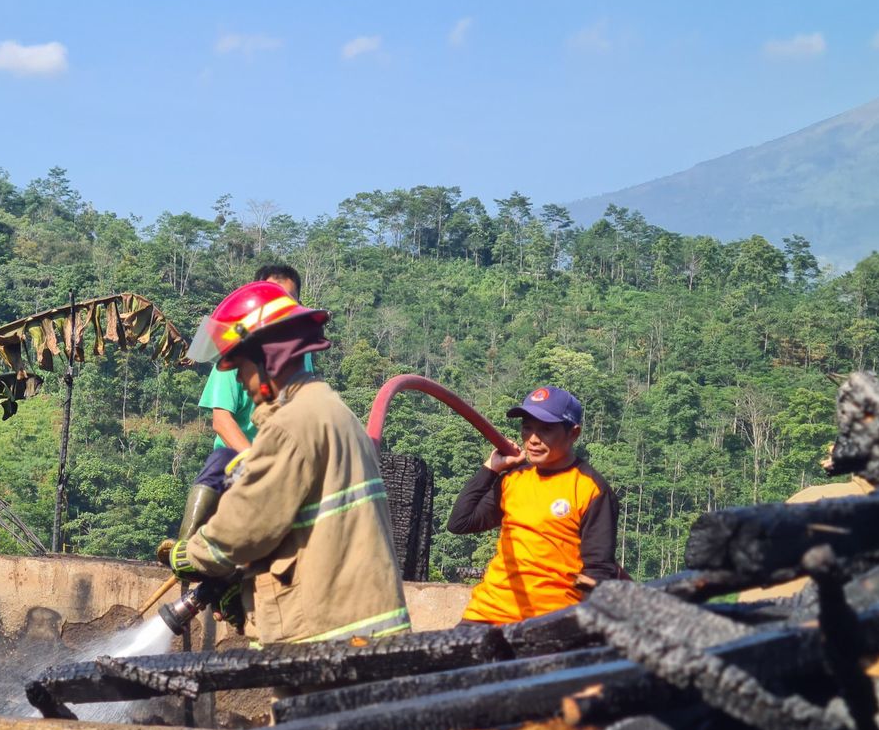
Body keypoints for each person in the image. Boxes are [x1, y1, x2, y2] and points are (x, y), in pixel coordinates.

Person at [160, 280, 409, 646]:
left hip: (325, 639)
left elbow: (244, 526)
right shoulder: (331, 411)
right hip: (356, 629)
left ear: (269, 358)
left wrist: (187, 555)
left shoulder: (291, 426)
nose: (238, 379)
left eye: (240, 367)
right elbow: (300, 530)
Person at [448, 385, 619, 625]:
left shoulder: (591, 489)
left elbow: (598, 571)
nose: (533, 440)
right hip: (486, 614)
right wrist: (491, 468)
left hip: (548, 622)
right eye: (527, 428)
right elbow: (460, 522)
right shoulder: (513, 479)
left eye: (546, 429)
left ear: (573, 433)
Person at [177, 263, 308, 539]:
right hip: (239, 458)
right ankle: (185, 543)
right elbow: (221, 421)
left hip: (283, 460)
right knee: (221, 459)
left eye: (288, 302)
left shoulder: (303, 356)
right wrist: (255, 461)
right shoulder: (236, 349)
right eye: (272, 299)